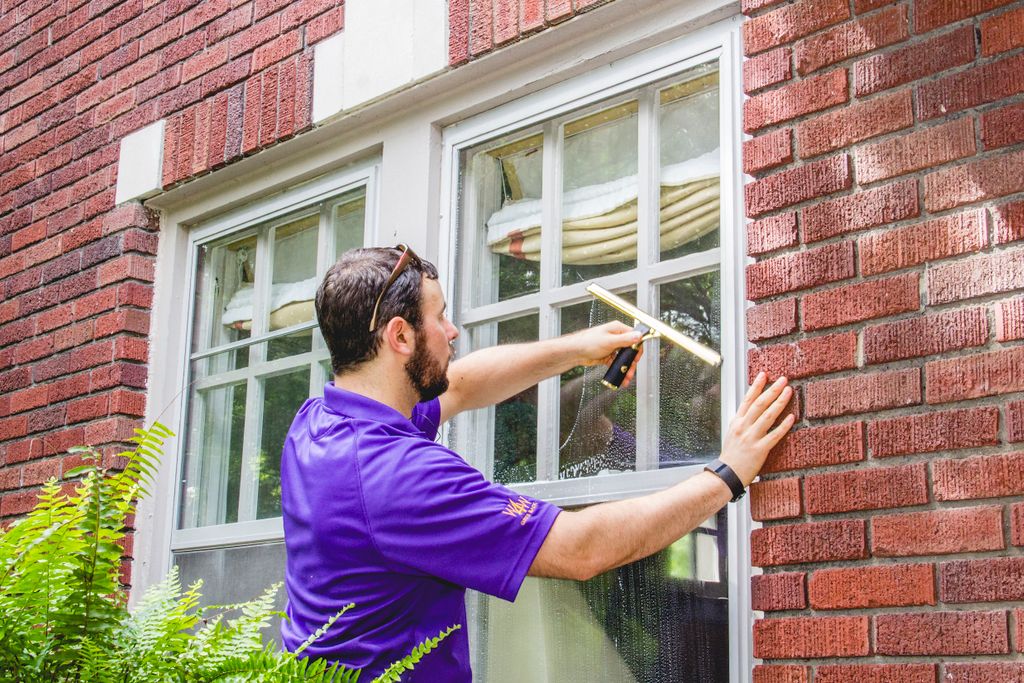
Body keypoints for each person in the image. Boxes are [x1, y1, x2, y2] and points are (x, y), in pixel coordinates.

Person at [280, 244, 794, 681]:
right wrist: (727, 474)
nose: (453, 331)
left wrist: (577, 349)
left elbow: (460, 384)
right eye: (438, 317)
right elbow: (581, 549)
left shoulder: (321, 421)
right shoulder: (397, 475)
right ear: (400, 336)